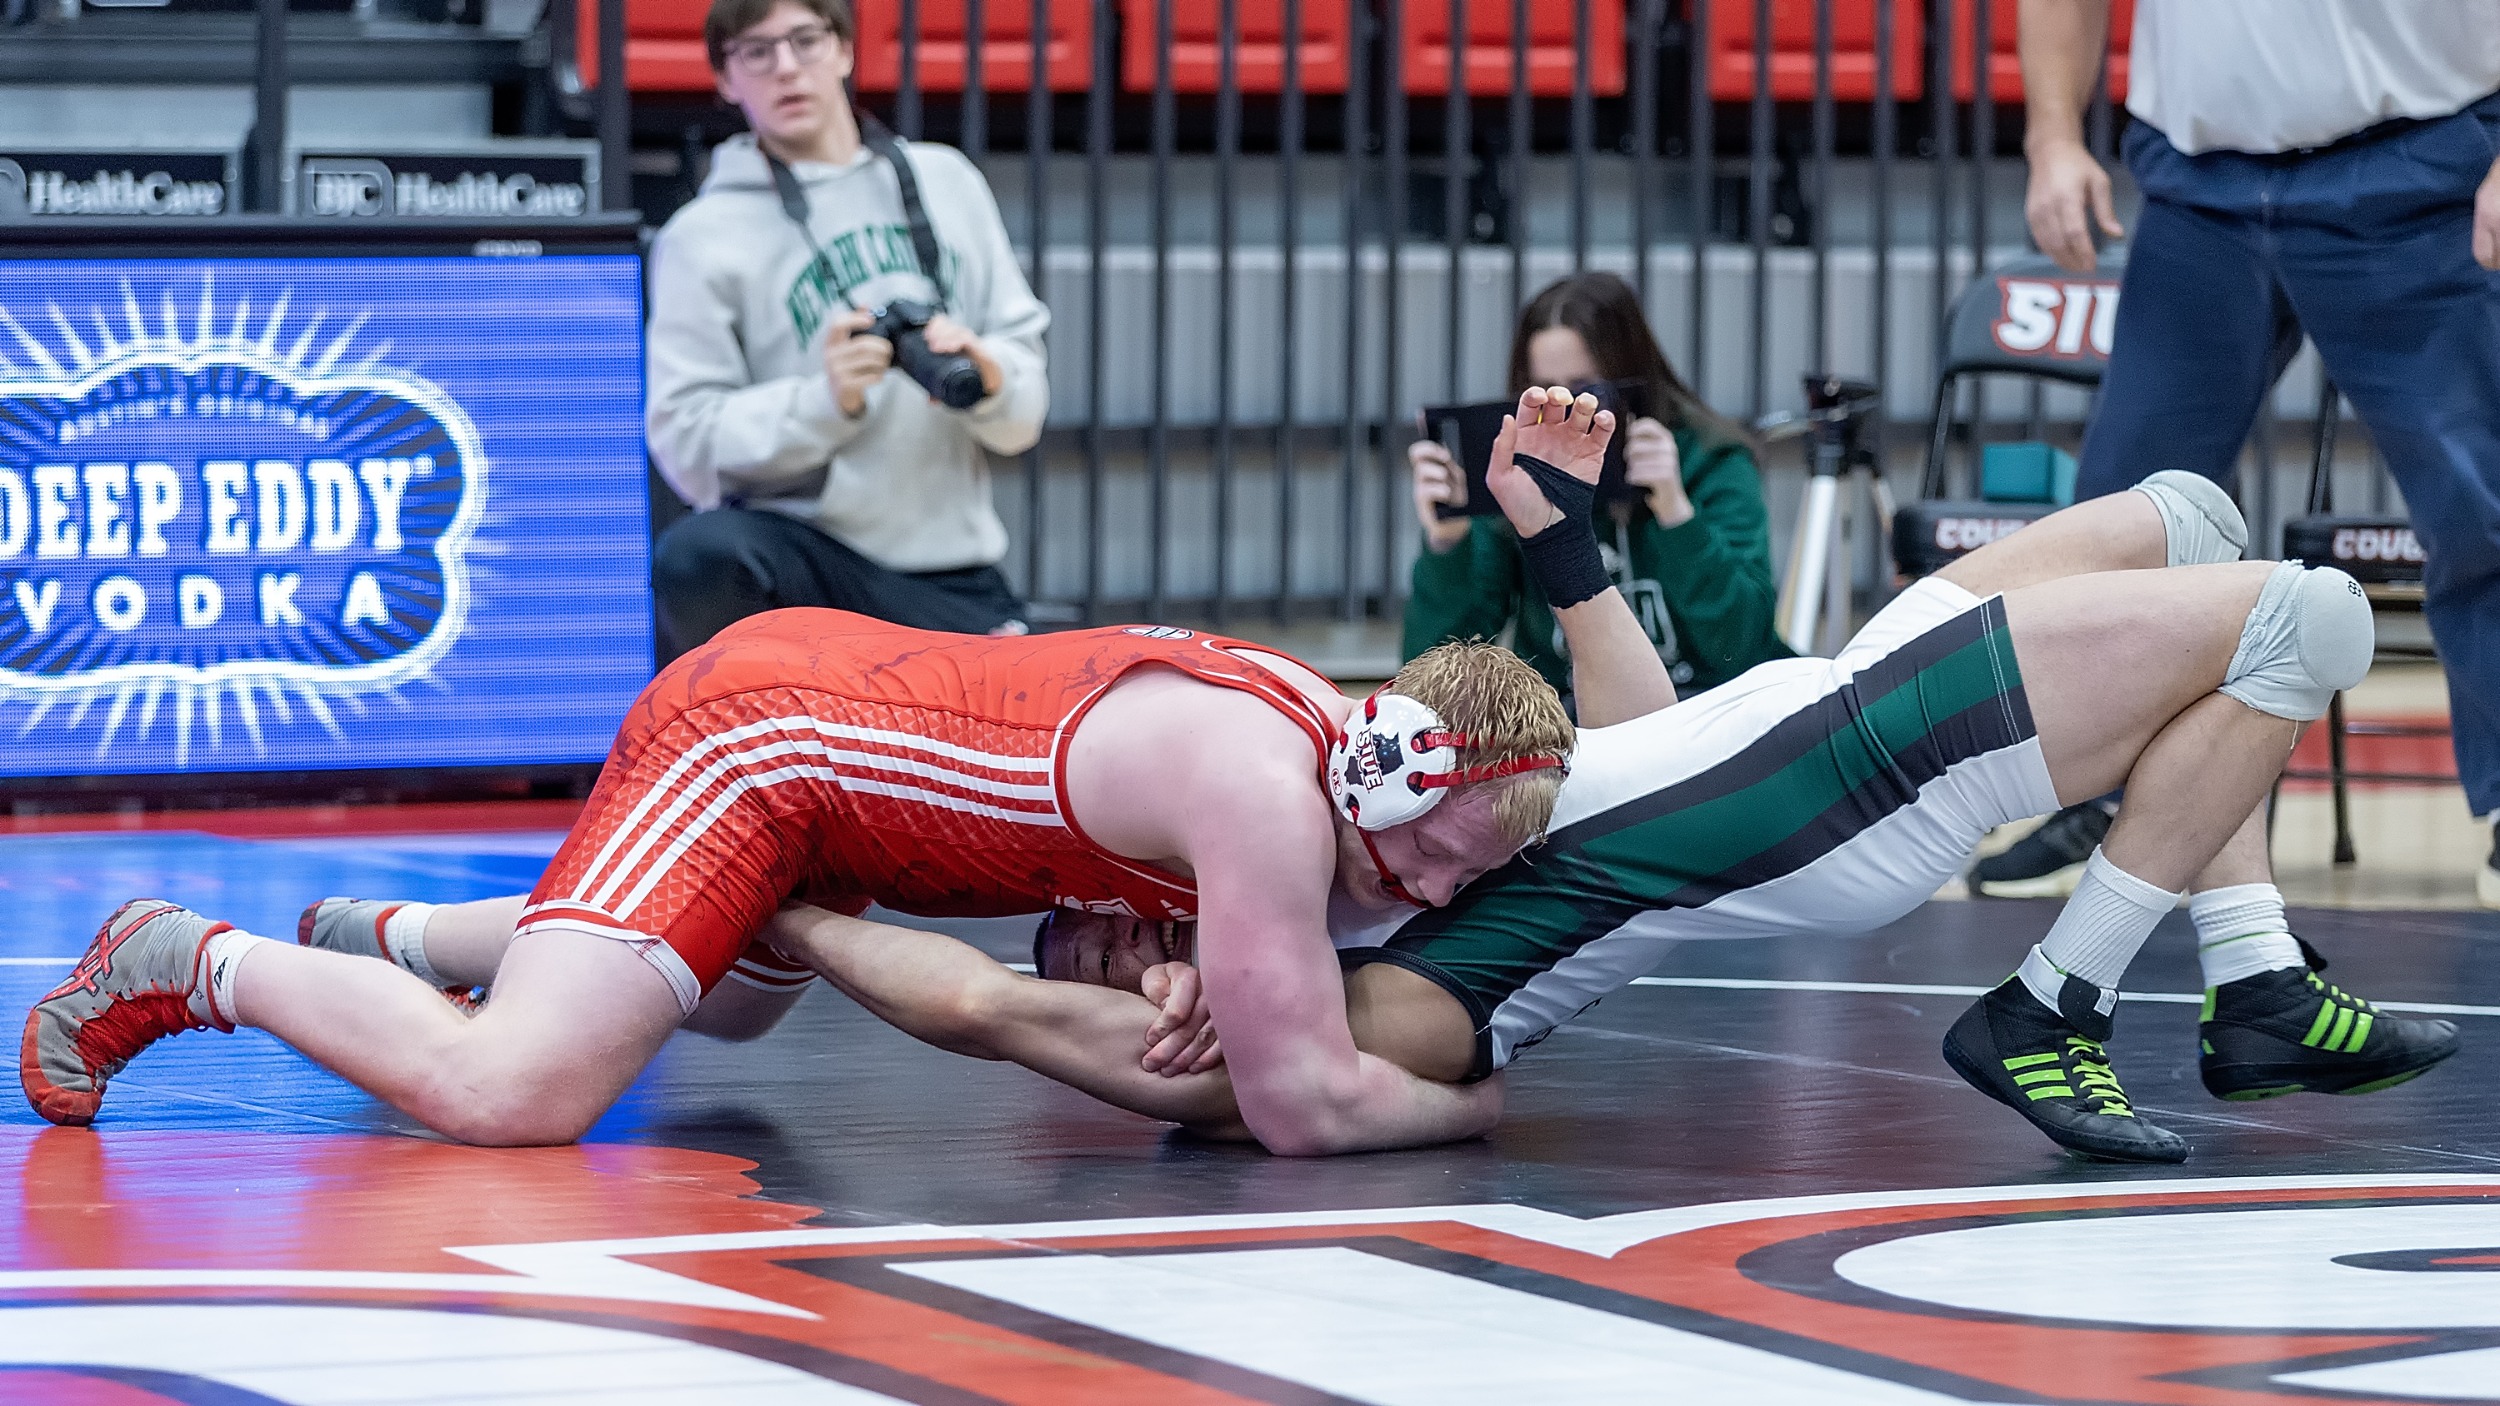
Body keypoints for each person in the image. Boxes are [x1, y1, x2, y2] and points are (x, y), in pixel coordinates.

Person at [20, 393, 1617, 1159]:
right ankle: (195, 957)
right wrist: (1471, 1104)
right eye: (1428, 862)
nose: (1416, 898)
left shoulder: (1315, 738)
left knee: (712, 993)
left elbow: (1067, 921)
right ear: (1396, 771)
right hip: (769, 743)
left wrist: (1152, 946)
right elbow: (1296, 1102)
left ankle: (404, 939)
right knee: (519, 1094)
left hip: (854, 768)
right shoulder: (1271, 795)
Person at [773, 458, 2458, 1164]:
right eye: (1142, 946)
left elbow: (1627, 751)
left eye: (1138, 922)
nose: (1153, 944)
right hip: (1854, 783)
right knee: (2297, 619)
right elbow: (1002, 1006)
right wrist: (795, 906)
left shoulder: (1349, 827)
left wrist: (1561, 543)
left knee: (2192, 512)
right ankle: (2053, 1001)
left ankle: (2250, 987)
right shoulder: (1408, 991)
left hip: (1806, 696)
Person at [1988, 0, 2500, 904]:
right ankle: (2114, 796)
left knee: (2482, 509)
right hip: (2197, 188)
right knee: (2125, 517)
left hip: (2421, 173)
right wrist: (2052, 138)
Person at [643, 0, 1048, 656]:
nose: (786, 68)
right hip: (804, 570)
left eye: (805, 40)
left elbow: (1022, 420)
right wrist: (825, 402)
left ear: (845, 50)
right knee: (700, 556)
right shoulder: (701, 236)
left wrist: (988, 372)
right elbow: (686, 442)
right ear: (725, 78)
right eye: (757, 51)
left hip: (947, 571)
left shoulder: (947, 183)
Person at [1405, 272, 1791, 705]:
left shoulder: (1711, 458)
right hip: (1576, 730)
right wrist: (1447, 546)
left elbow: (1744, 649)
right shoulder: (1520, 468)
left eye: (1584, 390)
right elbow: (1432, 683)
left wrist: (1677, 516)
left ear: (1631, 378)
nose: (1566, 410)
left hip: (1708, 711)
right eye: (1547, 392)